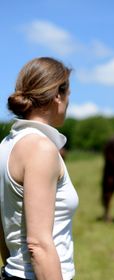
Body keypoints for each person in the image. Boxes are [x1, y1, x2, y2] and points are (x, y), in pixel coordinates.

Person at [0, 57, 78, 279]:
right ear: (57, 96)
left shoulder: (7, 144)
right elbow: (39, 246)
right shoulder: (40, 149)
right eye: (68, 94)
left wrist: (11, 267)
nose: (69, 102)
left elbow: (3, 226)